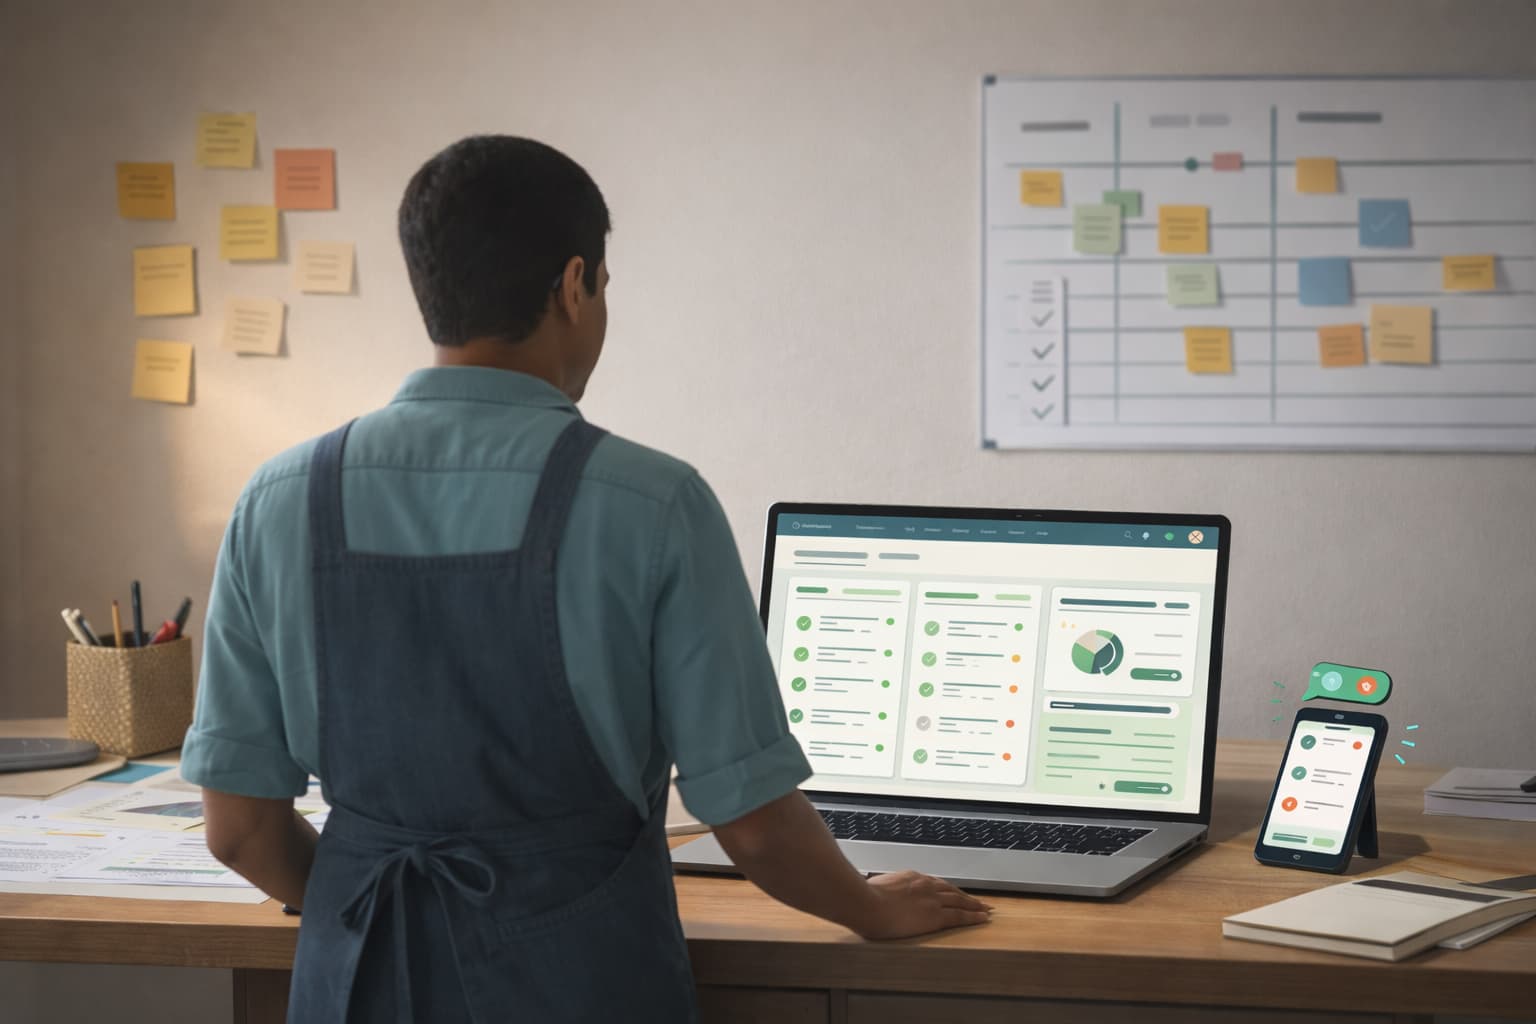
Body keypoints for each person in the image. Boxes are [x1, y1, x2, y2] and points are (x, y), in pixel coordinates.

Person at [181, 134, 990, 1023]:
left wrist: (367, 903)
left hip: (358, 978)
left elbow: (240, 831)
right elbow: (753, 823)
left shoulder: (280, 497)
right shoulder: (652, 501)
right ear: (576, 285)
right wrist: (872, 908)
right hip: (579, 981)